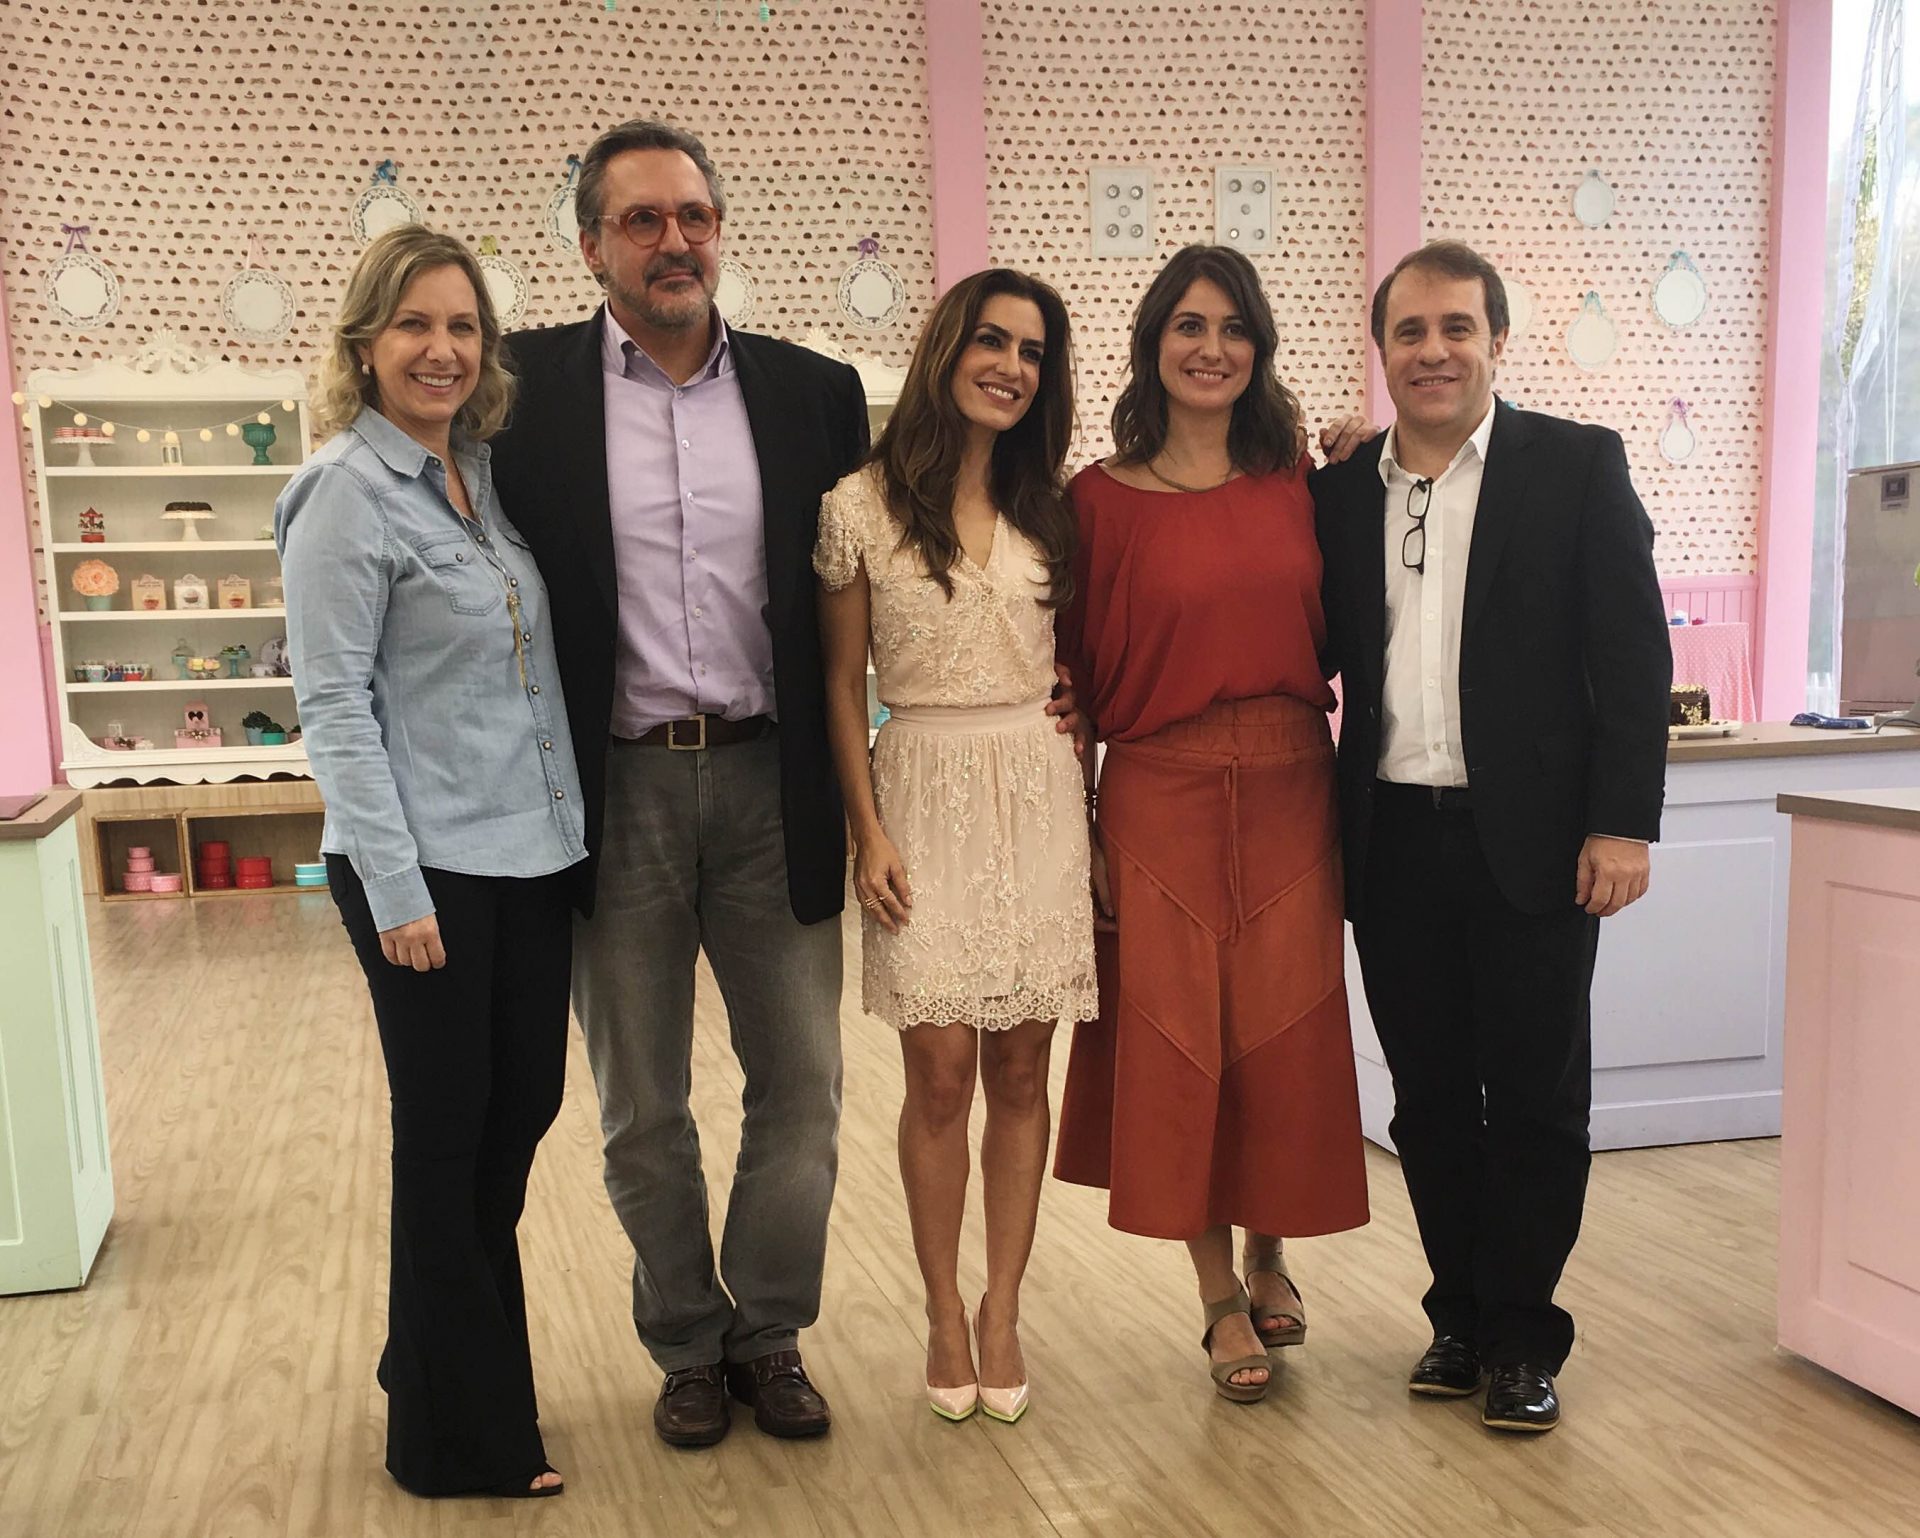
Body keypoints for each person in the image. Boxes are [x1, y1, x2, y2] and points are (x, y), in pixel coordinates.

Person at [1312, 240, 1671, 1433]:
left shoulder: (1575, 465)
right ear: (1382, 350)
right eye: (1410, 331)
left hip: (1538, 845)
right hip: (1392, 842)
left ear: (1496, 341)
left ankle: (1523, 1334)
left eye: (1456, 327)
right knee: (1424, 1101)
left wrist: (1622, 821)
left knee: (1534, 1101)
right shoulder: (1340, 489)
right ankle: (1457, 1313)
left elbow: (1632, 657)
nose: (1434, 351)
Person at [277, 226, 584, 1499]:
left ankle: (427, 1351)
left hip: (530, 852)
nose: (441, 349)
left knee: (522, 1108)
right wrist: (395, 888)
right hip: (426, 870)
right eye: (414, 324)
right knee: (448, 1139)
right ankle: (457, 1438)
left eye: (462, 326)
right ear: (365, 345)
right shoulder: (344, 491)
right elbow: (333, 704)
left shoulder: (477, 476)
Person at [1053, 244, 1372, 1404]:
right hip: (1157, 792)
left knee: (1281, 1034)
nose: (1211, 347)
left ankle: (1272, 1250)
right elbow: (1069, 680)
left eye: (1234, 327)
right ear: (1153, 344)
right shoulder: (1095, 502)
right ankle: (1216, 1290)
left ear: (1259, 348)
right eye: (1189, 324)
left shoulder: (1305, 483)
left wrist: (1365, 457)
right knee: (1176, 1041)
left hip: (1292, 783)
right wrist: (1082, 823)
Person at [815, 269, 1096, 1425]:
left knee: (1023, 1070)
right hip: (919, 791)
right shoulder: (858, 507)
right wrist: (865, 830)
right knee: (938, 1072)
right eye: (992, 341)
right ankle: (941, 1309)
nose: (1011, 367)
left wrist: (1081, 711)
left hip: (1037, 791)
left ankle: (1002, 1307)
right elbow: (842, 684)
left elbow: (1086, 660)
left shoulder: (1056, 509)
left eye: (1032, 352)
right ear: (947, 349)